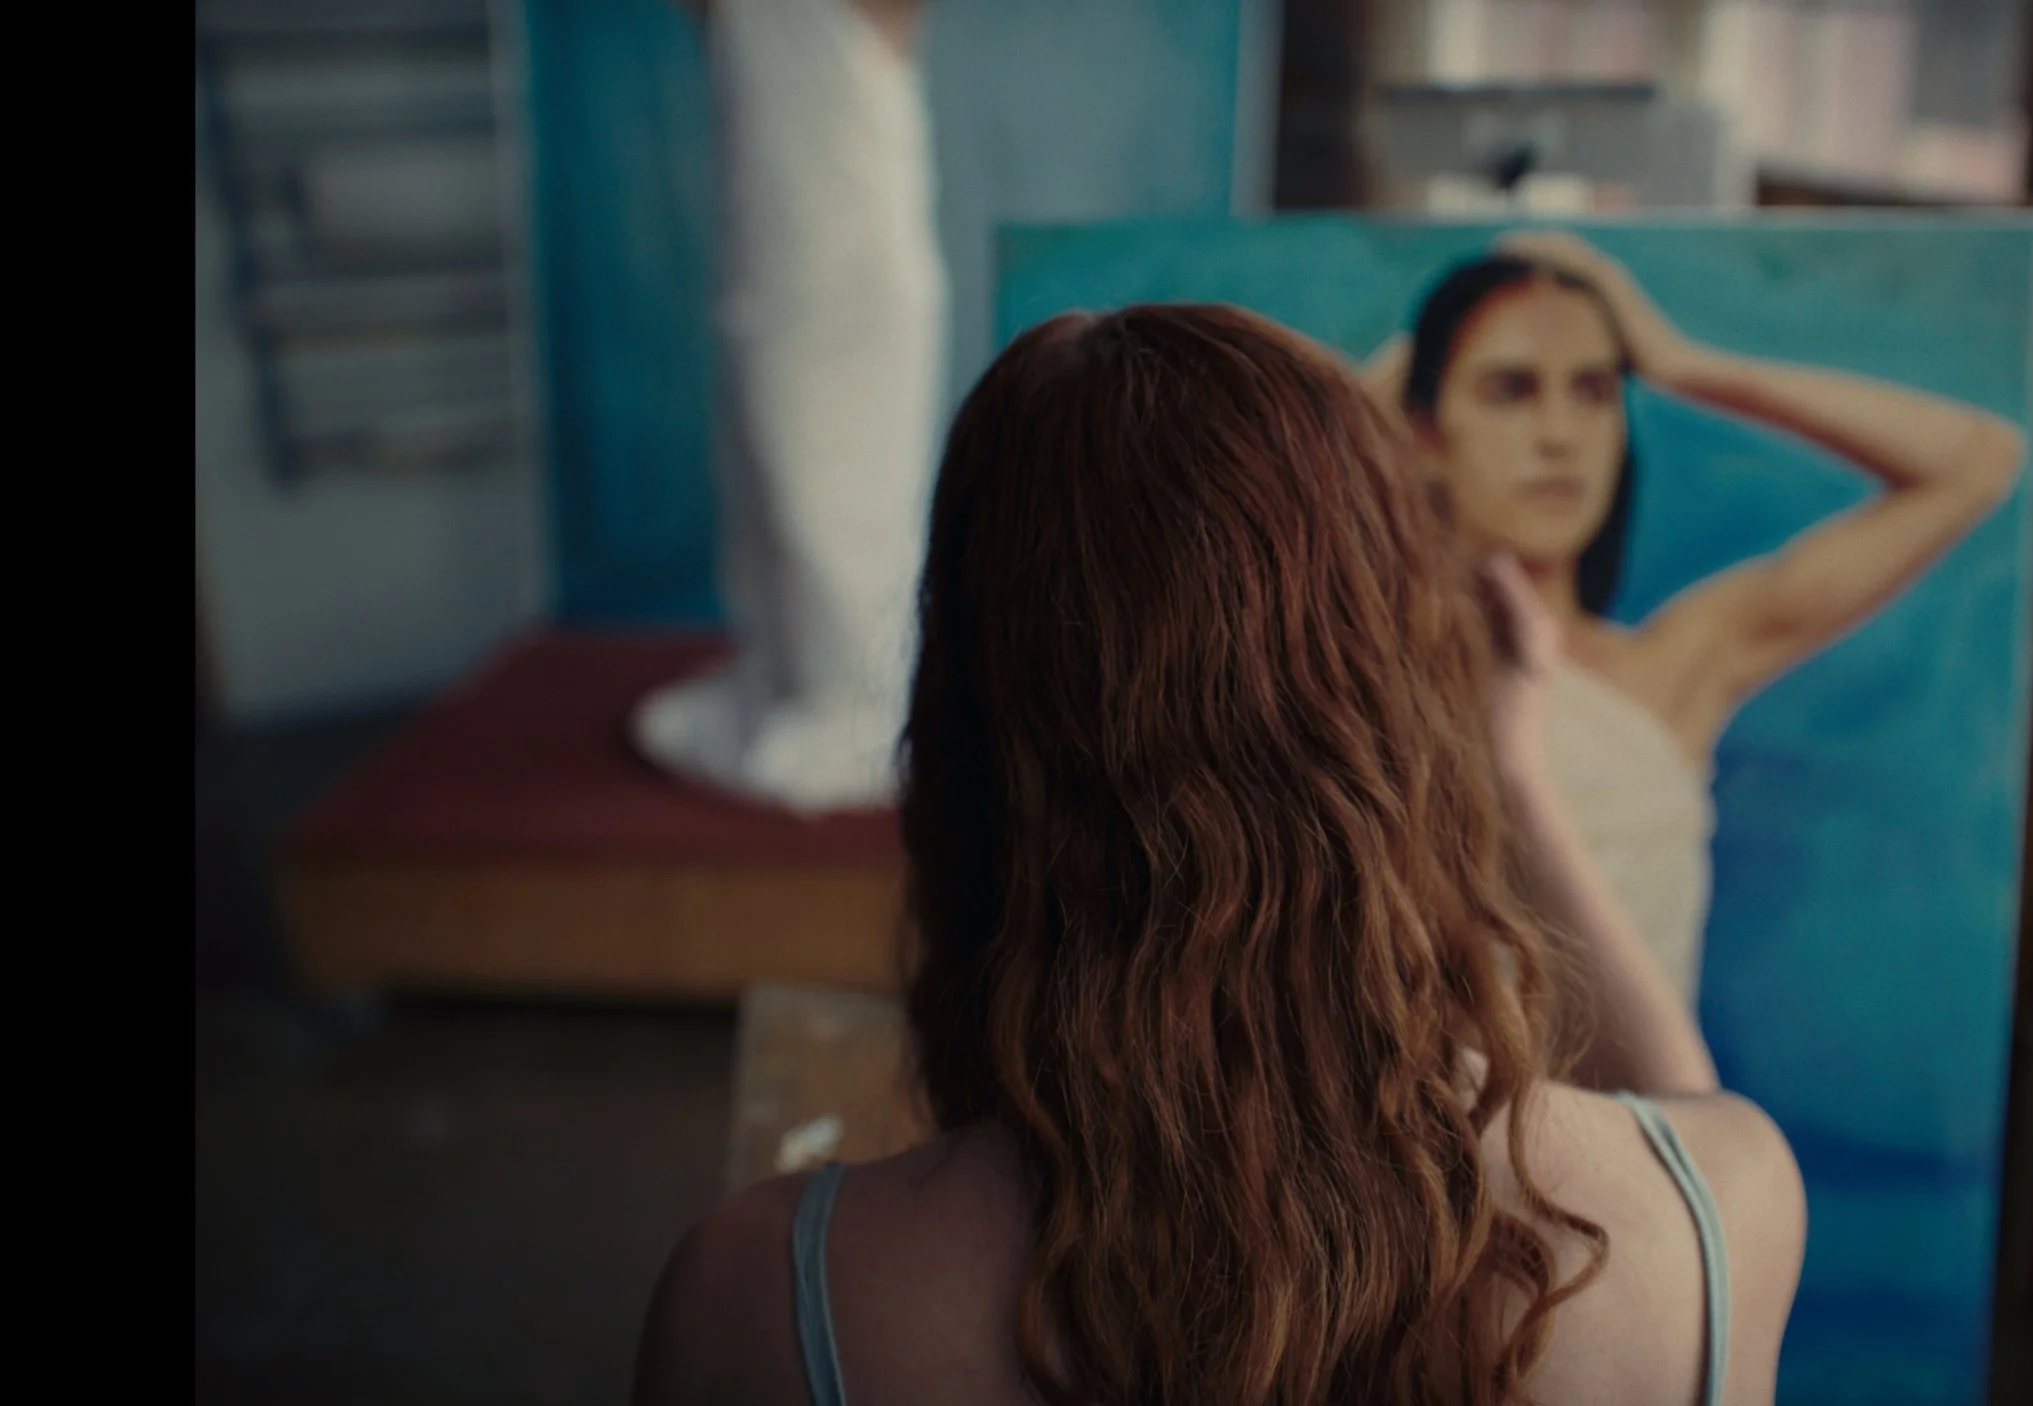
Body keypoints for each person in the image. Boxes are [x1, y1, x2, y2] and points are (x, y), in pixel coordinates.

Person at [632, 304, 1806, 1405]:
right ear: (1400, 702)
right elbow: (1681, 1130)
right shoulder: (1715, 1219)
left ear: (963, 743)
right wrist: (1510, 771)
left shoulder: (765, 1296)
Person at [1359, 229, 2026, 1003]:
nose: (1559, 436)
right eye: (1511, 390)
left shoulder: (1675, 665)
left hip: (1640, 1084)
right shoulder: (1367, 657)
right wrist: (1413, 355)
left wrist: (1682, 365)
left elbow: (1979, 462)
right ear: (1426, 431)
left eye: (1593, 391)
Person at [634, 0, 946, 815]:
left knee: (836, 503)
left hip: (852, 281)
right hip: (770, 276)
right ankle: (781, 681)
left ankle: (862, 728)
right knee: (763, 490)